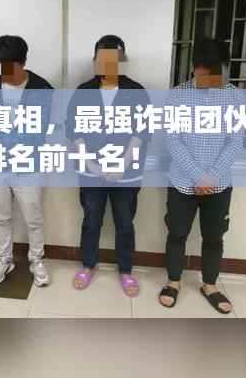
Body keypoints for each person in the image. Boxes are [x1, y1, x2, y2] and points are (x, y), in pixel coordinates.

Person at [158, 38, 244, 315]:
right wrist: (198, 175)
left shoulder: (234, 96)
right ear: (195, 67)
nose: (208, 78)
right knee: (177, 233)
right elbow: (172, 140)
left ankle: (210, 285)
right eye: (203, 71)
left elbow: (236, 141)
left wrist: (212, 177)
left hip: (219, 184)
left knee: (214, 237)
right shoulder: (178, 95)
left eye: (214, 72)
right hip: (182, 182)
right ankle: (173, 281)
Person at [66, 35, 151, 297]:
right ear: (95, 60)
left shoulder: (136, 91)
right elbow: (73, 131)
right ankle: (88, 265)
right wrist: (91, 165)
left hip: (126, 174)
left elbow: (142, 131)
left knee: (125, 223)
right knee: (91, 221)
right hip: (90, 172)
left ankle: (125, 270)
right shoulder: (83, 91)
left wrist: (122, 165)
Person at [0, 35, 53, 287]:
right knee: (1, 216)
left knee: (33, 218)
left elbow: (40, 130)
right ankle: (4, 259)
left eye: (12, 66)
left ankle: (36, 260)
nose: (7, 72)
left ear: (24, 61)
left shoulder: (42, 88)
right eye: (2, 66)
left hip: (28, 165)